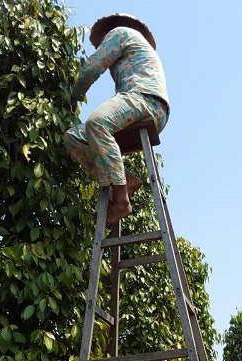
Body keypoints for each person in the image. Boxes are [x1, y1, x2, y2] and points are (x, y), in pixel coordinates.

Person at [64, 13, 170, 225]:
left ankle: (121, 201)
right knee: (73, 137)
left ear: (106, 32)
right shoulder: (135, 42)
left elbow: (94, 66)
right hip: (144, 106)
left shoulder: (120, 33)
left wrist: (74, 95)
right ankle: (124, 180)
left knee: (96, 122)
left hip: (146, 99)